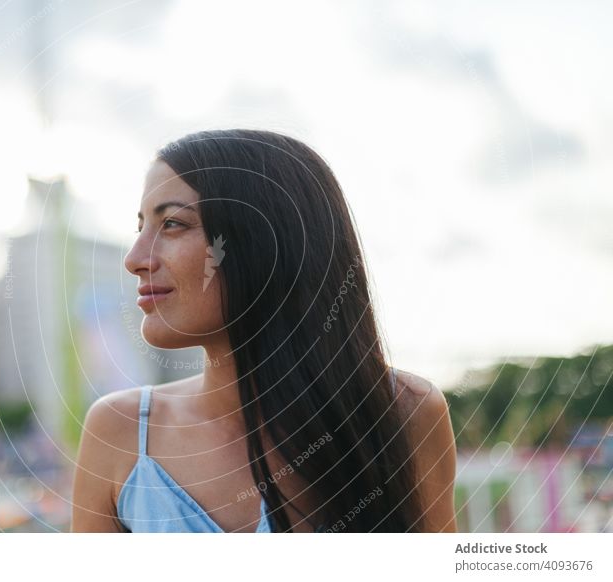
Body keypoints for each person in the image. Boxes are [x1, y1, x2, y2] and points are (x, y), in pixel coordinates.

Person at [72, 129, 457, 533]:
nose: (135, 259)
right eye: (141, 228)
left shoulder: (405, 414)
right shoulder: (119, 432)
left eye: (171, 224)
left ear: (264, 241)